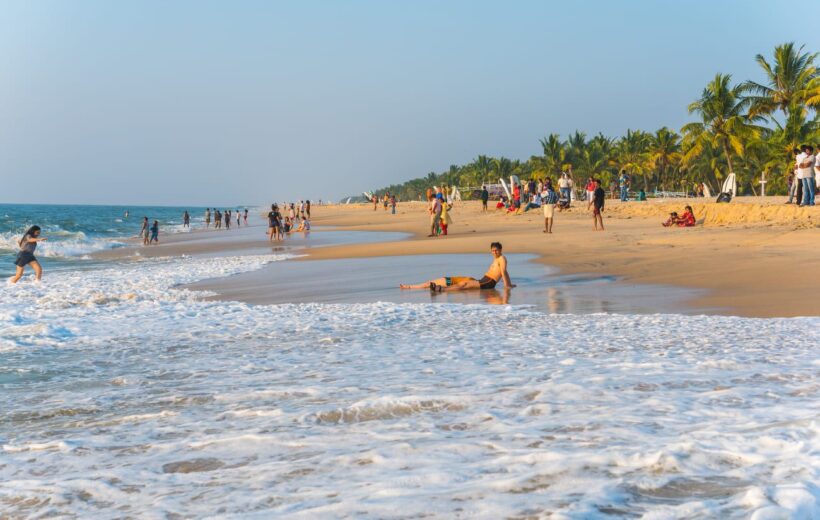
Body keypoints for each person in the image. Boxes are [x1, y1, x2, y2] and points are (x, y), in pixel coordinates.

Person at [400, 242, 515, 291]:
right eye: (492, 250)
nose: (494, 252)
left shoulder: (502, 258)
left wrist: (507, 286)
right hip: (483, 280)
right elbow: (505, 272)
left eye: (496, 250)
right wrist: (509, 283)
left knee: (463, 284)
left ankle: (441, 290)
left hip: (488, 283)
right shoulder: (497, 259)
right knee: (461, 284)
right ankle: (410, 287)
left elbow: (504, 272)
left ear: (500, 250)